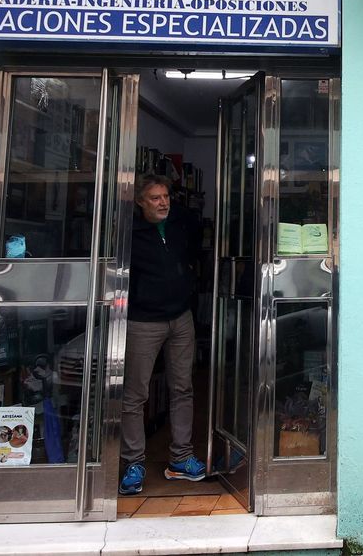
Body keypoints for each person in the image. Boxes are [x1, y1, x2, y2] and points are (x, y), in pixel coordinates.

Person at [120, 175, 208, 495]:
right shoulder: (129, 234)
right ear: (140, 202)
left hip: (180, 318)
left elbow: (194, 252)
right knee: (135, 394)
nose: (163, 202)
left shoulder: (179, 224)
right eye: (155, 198)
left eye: (166, 196)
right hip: (144, 321)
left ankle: (181, 459)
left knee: (182, 388)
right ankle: (133, 462)